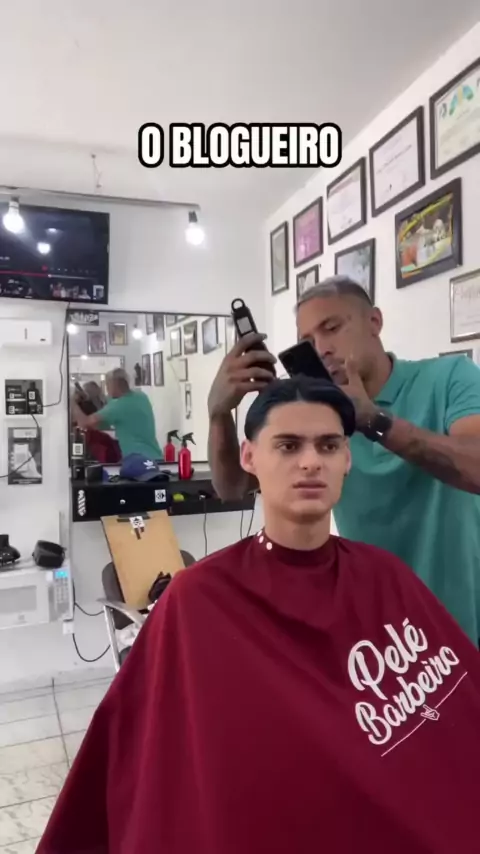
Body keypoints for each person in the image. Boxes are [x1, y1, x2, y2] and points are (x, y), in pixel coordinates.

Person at [37, 377, 480, 854]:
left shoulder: (385, 575)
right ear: (249, 457)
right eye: (288, 445)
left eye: (328, 445)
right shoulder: (199, 599)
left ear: (347, 459)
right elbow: (140, 755)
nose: (311, 461)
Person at [207, 277, 480, 645]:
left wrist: (373, 420)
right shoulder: (323, 414)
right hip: (379, 620)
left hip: (461, 610)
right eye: (307, 341)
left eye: (332, 328)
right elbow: (231, 488)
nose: (321, 349)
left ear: (374, 322)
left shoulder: (449, 377)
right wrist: (218, 414)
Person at [72, 367, 163, 461]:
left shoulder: (118, 406)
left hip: (138, 461)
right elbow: (104, 422)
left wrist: (72, 402)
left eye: (107, 385)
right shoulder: (141, 396)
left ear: (114, 384)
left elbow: (84, 423)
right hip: (156, 458)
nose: (107, 389)